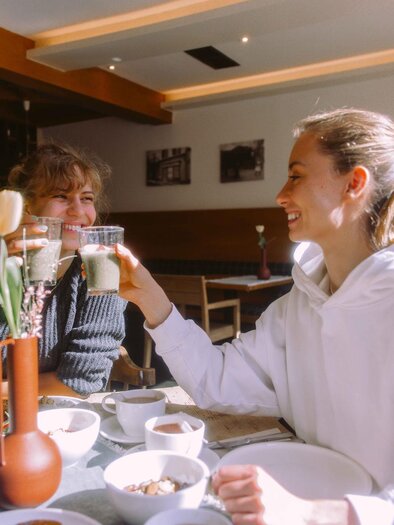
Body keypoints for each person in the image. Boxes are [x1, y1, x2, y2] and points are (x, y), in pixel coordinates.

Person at [112, 108, 394, 524]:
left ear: (354, 184)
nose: (281, 194)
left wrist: (313, 513)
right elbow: (216, 379)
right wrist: (152, 301)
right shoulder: (295, 308)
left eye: (296, 175)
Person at [0, 142, 127, 397]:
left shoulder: (100, 274)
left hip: (60, 420)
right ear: (27, 206)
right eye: (61, 196)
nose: (78, 211)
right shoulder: (4, 268)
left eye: (87, 199)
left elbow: (79, 381)